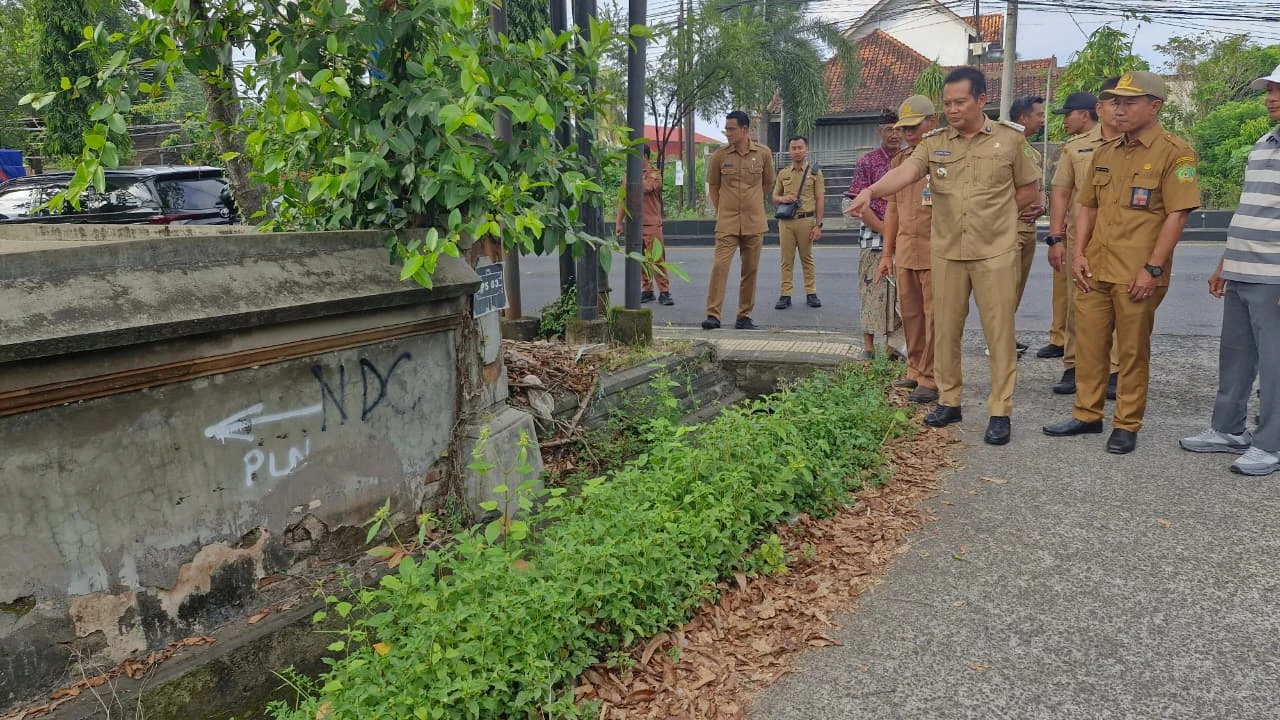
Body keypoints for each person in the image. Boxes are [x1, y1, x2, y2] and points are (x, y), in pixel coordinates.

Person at [849, 67, 1042, 445]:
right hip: (948, 253)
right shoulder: (934, 143)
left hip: (994, 253)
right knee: (946, 331)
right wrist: (871, 192)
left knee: (999, 333)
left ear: (981, 100)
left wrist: (997, 219)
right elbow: (904, 173)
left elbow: (1029, 190)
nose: (953, 109)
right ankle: (950, 400)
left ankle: (1000, 410)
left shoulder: (1009, 141)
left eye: (960, 102)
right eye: (948, 103)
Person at [1043, 71, 1201, 454]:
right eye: (1116, 101)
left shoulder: (1175, 152)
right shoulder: (1104, 151)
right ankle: (1086, 414)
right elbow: (1088, 207)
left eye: (1130, 101)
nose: (1119, 108)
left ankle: (1126, 423)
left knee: (1130, 351)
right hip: (1095, 267)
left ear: (1155, 106)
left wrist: (1153, 268)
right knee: (1090, 346)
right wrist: (1079, 253)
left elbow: (1177, 215)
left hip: (1137, 272)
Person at [1179, 64, 1280, 476]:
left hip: (1274, 273)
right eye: (1269, 91)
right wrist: (1225, 262)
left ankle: (1271, 444)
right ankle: (1228, 429)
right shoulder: (1263, 143)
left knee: (1275, 363)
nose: (1270, 98)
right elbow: (1249, 208)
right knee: (1235, 356)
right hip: (1242, 266)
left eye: (1277, 92)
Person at [1044, 83, 1121, 399]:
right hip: (1081, 239)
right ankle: (1073, 365)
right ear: (1098, 108)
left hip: (1122, 239)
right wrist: (1056, 237)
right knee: (1078, 306)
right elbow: (1060, 193)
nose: (1117, 109)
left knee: (1120, 307)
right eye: (1110, 102)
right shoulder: (1076, 147)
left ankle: (1115, 371)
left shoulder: (1141, 144)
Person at [876, 95, 939, 404]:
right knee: (911, 315)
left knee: (934, 317)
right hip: (906, 250)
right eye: (904, 128)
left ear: (932, 122)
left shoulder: (944, 158)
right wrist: (887, 254)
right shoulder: (900, 162)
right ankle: (915, 370)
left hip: (936, 252)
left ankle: (931, 377)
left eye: (914, 127)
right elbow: (892, 212)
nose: (907, 134)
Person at [703, 110, 776, 330]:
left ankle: (744, 315)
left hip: (754, 221)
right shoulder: (720, 156)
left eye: (732, 129)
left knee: (750, 270)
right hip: (727, 221)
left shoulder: (763, 154)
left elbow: (767, 183)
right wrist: (723, 209)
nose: (728, 133)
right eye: (727, 129)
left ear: (745, 130)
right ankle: (713, 315)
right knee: (720, 266)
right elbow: (714, 187)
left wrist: (751, 203)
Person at [846, 109, 903, 359]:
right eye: (888, 129)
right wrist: (885, 230)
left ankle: (894, 347)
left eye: (898, 129)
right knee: (872, 288)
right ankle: (868, 347)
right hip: (873, 233)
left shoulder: (909, 161)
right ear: (879, 132)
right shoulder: (867, 162)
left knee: (901, 294)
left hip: (905, 234)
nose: (894, 134)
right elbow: (859, 205)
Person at [1009, 95, 1047, 359]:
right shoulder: (1004, 148)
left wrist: (1041, 203)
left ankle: (1006, 336)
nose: (1043, 119)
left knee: (1017, 288)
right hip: (1009, 228)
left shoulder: (1032, 152)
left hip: (1028, 228)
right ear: (1023, 118)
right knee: (1003, 289)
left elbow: (1039, 187)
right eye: (1039, 114)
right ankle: (997, 341)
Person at [615, 143, 673, 306]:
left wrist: (633, 180)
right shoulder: (628, 175)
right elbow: (623, 199)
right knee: (638, 259)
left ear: (645, 157)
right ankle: (647, 290)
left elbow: (648, 187)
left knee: (656, 259)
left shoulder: (654, 173)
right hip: (633, 225)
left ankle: (664, 292)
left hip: (651, 224)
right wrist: (619, 222)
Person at [772, 135, 825, 310]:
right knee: (786, 260)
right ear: (789, 151)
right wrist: (783, 198)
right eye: (793, 148)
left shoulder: (815, 173)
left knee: (806, 258)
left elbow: (819, 199)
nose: (797, 151)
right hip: (786, 222)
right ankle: (785, 295)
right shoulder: (783, 173)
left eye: (800, 148)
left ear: (806, 149)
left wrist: (818, 225)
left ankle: (811, 293)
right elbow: (774, 197)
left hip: (806, 220)